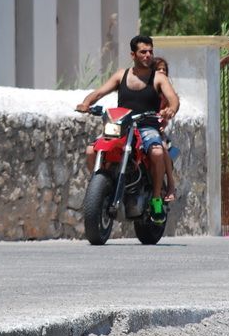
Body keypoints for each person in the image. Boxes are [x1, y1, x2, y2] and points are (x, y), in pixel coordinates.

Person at [76, 35, 179, 224]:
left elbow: (173, 98)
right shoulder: (121, 75)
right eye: (143, 52)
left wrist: (171, 109)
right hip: (121, 125)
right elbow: (99, 92)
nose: (148, 55)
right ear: (133, 54)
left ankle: (156, 199)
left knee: (157, 152)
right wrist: (86, 103)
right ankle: (100, 187)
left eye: (150, 51)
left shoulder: (158, 78)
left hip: (147, 125)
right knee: (91, 150)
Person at [152, 57, 177, 202]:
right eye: (158, 69)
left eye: (164, 69)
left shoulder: (167, 92)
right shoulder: (146, 87)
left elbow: (172, 105)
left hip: (157, 130)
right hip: (139, 128)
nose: (162, 71)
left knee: (161, 149)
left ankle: (171, 185)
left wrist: (165, 115)